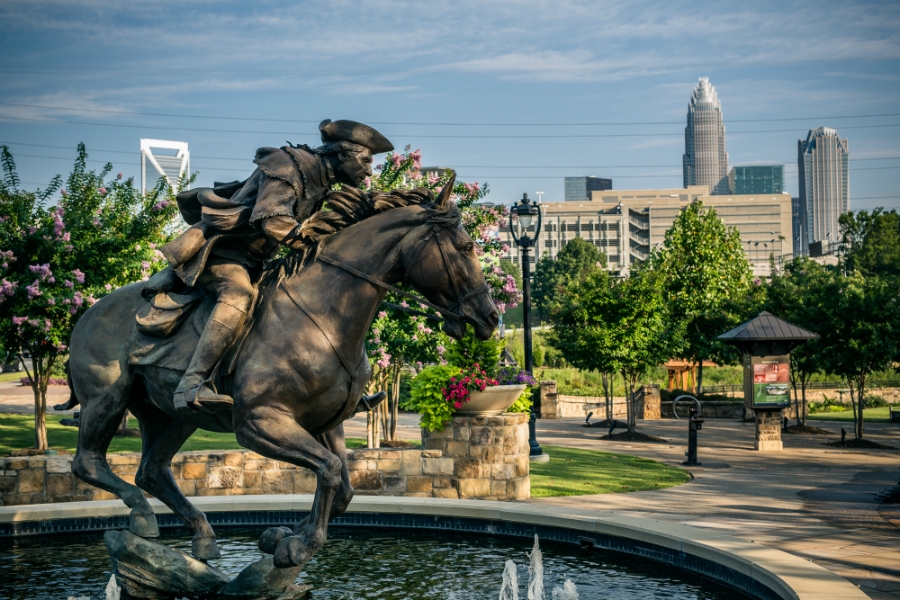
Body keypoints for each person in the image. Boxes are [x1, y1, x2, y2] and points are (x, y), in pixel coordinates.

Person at [147, 119, 394, 413]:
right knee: (237, 297)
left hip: (258, 261)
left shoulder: (321, 180)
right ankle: (192, 385)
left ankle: (332, 391)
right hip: (225, 254)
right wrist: (309, 242)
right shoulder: (288, 165)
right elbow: (272, 220)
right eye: (365, 161)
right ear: (343, 154)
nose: (369, 170)